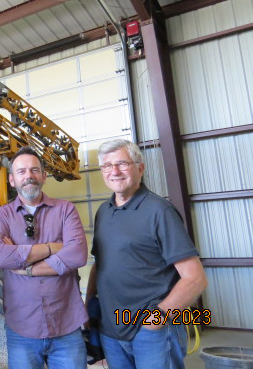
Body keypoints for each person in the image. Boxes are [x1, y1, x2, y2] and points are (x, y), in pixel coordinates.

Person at [86, 139, 207, 369]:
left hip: (151, 332)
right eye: (107, 166)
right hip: (111, 330)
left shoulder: (159, 211)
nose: (115, 171)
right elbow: (99, 263)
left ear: (140, 168)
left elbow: (195, 278)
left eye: (122, 163)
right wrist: (88, 304)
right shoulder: (104, 211)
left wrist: (156, 320)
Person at [0, 146, 88, 368]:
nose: (29, 176)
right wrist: (53, 247)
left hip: (66, 324)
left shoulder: (66, 210)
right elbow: (2, 258)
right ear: (12, 180)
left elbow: (77, 255)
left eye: (34, 170)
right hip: (21, 327)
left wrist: (26, 267)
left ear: (44, 176)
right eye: (21, 172)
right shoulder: (1, 215)